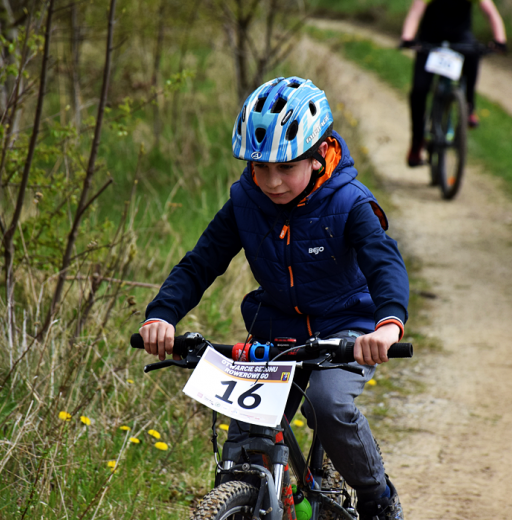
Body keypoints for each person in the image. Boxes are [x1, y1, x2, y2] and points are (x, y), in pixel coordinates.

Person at [139, 76, 409, 520]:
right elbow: (201, 262)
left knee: (329, 404)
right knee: (243, 441)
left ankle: (377, 497)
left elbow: (385, 265)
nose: (271, 181)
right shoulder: (246, 200)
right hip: (275, 331)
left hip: (347, 328)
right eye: (260, 167)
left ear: (320, 155)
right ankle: (241, 504)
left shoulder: (350, 202)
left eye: (286, 168)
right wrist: (163, 315)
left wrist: (387, 324)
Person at [400, 0, 507, 167]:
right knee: (419, 91)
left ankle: (469, 105)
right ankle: (417, 143)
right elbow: (415, 13)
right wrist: (408, 37)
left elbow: (491, 13)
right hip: (430, 40)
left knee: (474, 54)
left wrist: (499, 39)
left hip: (460, 39)